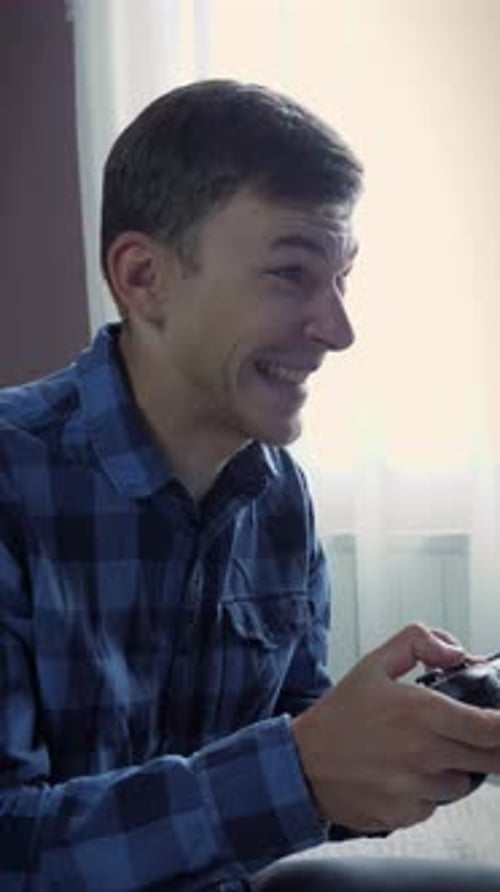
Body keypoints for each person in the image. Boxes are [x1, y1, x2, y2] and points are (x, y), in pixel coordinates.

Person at [0, 79, 499, 892]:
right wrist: (298, 769)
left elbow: (288, 777)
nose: (338, 329)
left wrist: (396, 746)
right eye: (292, 272)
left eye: (342, 278)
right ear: (144, 277)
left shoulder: (277, 498)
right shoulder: (11, 482)